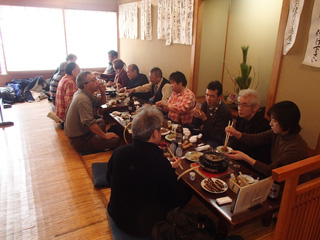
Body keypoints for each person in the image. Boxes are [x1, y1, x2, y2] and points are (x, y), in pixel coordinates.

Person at [106, 105, 191, 239]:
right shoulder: (159, 162)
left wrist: (167, 168)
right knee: (186, 191)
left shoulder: (119, 152)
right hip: (142, 226)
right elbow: (171, 199)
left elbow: (109, 179)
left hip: (117, 213)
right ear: (155, 134)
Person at [225, 101, 309, 178]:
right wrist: (235, 133)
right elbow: (254, 139)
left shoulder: (295, 148)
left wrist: (245, 157)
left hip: (291, 186)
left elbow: (270, 171)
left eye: (274, 121)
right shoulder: (278, 133)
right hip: (277, 179)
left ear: (285, 123)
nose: (270, 123)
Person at [64, 71, 120, 152]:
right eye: (93, 80)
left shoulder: (83, 93)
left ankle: (99, 140)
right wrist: (105, 136)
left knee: (101, 121)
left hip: (82, 132)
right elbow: (89, 123)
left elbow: (101, 103)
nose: (97, 81)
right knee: (116, 140)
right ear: (85, 85)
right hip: (80, 140)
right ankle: (100, 141)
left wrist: (102, 92)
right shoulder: (83, 99)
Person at [230, 89, 271, 164]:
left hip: (251, 163)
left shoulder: (264, 125)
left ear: (255, 107)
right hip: (236, 158)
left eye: (244, 105)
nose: (240, 108)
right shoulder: (241, 117)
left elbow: (254, 150)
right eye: (239, 104)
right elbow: (234, 140)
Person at [192, 81, 232, 147]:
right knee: (186, 129)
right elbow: (197, 125)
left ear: (219, 97)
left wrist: (204, 118)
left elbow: (217, 134)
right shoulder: (206, 103)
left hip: (216, 140)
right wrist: (196, 115)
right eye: (207, 95)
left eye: (212, 96)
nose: (208, 99)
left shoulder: (225, 111)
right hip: (205, 134)